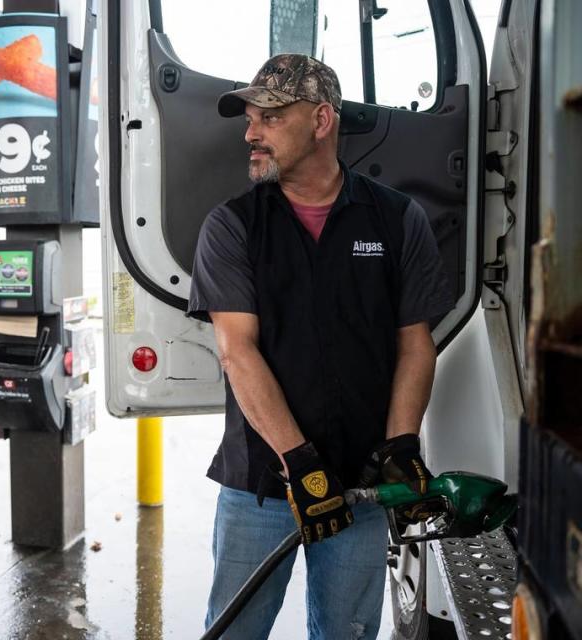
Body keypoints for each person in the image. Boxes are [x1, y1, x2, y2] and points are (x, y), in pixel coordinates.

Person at [187, 54, 455, 639]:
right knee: (235, 630)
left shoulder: (395, 219)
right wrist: (300, 464)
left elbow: (415, 343)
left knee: (349, 633)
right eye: (250, 117)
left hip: (360, 482)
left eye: (270, 117)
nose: (251, 132)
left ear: (321, 119)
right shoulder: (233, 226)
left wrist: (401, 444)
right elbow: (238, 352)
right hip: (260, 485)